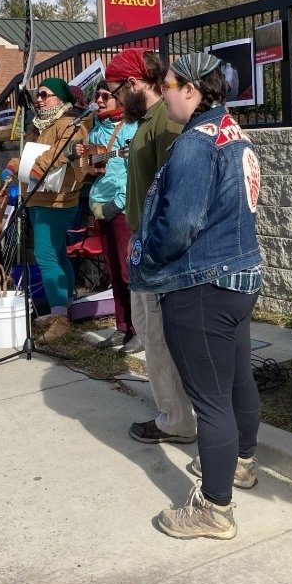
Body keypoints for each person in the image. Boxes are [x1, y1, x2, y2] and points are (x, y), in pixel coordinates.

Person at [129, 52, 263, 540]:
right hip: (240, 277)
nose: (162, 94)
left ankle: (214, 508)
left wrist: (153, 256)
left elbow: (179, 225)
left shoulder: (192, 147)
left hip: (200, 283)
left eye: (167, 85)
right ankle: (242, 463)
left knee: (209, 401)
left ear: (191, 89)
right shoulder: (234, 133)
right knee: (235, 381)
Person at [109, 48, 196, 443]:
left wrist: (156, 246)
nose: (113, 100)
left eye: (116, 91)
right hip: (144, 244)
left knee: (158, 338)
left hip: (158, 250)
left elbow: (176, 195)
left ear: (133, 83)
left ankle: (176, 420)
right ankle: (172, 411)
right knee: (149, 332)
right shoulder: (146, 121)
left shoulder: (166, 123)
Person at [5, 77, 87, 343]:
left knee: (45, 255)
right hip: (38, 197)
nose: (39, 100)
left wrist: (31, 168)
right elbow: (31, 153)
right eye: (38, 95)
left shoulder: (71, 124)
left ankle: (60, 318)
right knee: (58, 254)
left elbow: (57, 154)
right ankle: (64, 305)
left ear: (61, 99)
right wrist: (15, 163)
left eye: (45, 95)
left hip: (58, 200)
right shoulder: (38, 126)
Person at [75, 80, 138, 349]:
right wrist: (77, 152)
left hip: (121, 209)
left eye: (104, 96)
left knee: (127, 272)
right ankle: (122, 326)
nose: (99, 100)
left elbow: (133, 173)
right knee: (113, 271)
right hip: (100, 206)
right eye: (96, 96)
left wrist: (119, 203)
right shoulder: (96, 129)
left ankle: (139, 330)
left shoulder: (132, 128)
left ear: (120, 99)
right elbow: (91, 166)